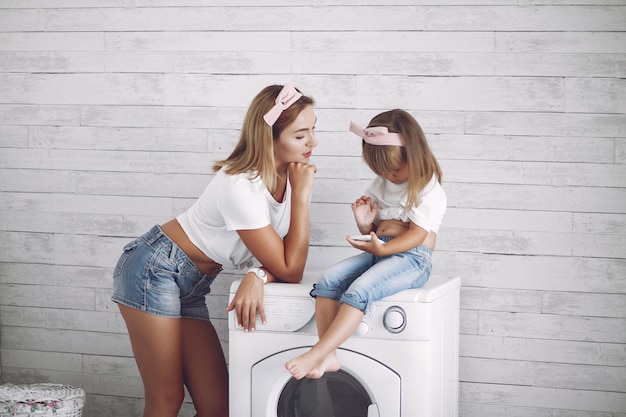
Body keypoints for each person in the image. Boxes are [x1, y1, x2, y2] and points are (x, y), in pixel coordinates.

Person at [111, 84, 318, 417]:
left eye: (313, 130)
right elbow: (289, 267)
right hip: (155, 267)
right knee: (167, 398)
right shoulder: (240, 184)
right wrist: (303, 199)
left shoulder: (292, 176)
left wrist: (257, 274)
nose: (313, 143)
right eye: (300, 135)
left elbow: (285, 263)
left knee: (219, 407)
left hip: (192, 284)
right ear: (270, 138)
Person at [285, 109, 446, 380]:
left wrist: (384, 246)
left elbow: (417, 236)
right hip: (381, 249)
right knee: (327, 281)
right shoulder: (383, 182)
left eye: (394, 170)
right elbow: (381, 228)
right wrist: (365, 225)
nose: (389, 177)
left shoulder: (427, 188)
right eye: (382, 172)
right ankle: (330, 355)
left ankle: (318, 352)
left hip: (412, 259)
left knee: (359, 291)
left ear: (414, 154)